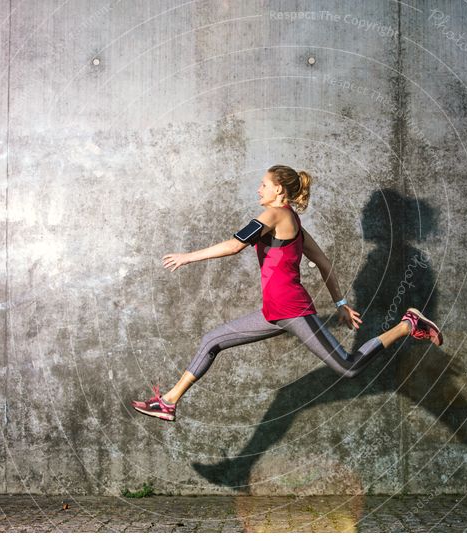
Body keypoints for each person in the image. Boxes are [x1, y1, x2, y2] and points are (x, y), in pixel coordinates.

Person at [131, 165, 443, 421]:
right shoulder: (292, 221)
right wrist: (342, 304)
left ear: (279, 190)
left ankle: (407, 324)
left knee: (348, 367)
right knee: (212, 340)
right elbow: (323, 262)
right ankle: (169, 401)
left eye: (263, 184)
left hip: (292, 310)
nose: (259, 190)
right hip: (274, 313)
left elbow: (236, 245)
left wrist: (188, 257)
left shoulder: (275, 215)